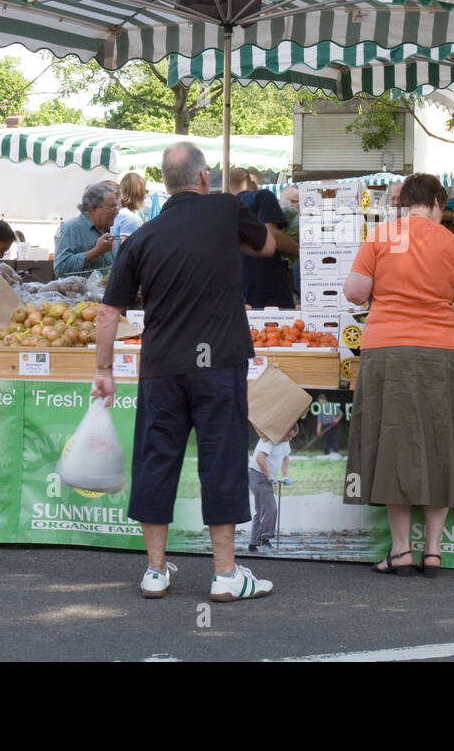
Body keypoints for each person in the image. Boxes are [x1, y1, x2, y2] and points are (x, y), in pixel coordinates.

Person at [92, 141, 278, 601]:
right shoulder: (226, 209)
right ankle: (225, 575)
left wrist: (103, 370)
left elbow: (107, 313)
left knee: (156, 461)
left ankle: (155, 572)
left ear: (165, 184)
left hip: (161, 368)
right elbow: (269, 245)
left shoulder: (141, 237)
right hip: (218, 363)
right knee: (222, 461)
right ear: (203, 177)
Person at [341, 173, 454, 577]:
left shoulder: (381, 236)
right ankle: (433, 552)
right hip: (440, 352)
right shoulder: (452, 244)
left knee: (394, 445)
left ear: (405, 202)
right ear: (436, 202)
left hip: (386, 350)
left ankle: (400, 551)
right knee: (442, 443)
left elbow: (353, 292)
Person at [228, 167, 299, 309]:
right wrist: (301, 251)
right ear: (253, 183)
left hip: (240, 296)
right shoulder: (262, 196)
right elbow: (272, 235)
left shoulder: (226, 208)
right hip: (270, 290)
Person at [53, 183, 119, 278]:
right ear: (94, 208)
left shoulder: (104, 229)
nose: (116, 212)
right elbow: (60, 269)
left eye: (116, 207)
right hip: (80, 292)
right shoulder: (70, 228)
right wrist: (97, 251)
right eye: (112, 207)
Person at [247, 425, 297, 552]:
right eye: (288, 436)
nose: (290, 439)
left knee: (262, 510)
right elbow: (259, 457)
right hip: (257, 474)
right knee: (270, 508)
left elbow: (285, 457)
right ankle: (265, 539)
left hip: (265, 476)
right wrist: (269, 475)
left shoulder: (285, 442)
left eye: (292, 437)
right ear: (282, 431)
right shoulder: (269, 439)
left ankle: (253, 543)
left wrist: (285, 476)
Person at [111, 173, 148, 250]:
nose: (146, 194)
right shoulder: (129, 217)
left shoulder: (118, 212)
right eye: (144, 190)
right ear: (138, 193)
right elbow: (127, 252)